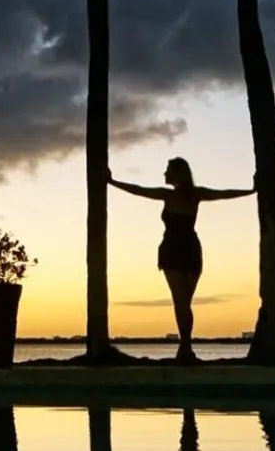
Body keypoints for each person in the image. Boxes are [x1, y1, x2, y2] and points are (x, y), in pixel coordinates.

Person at [108, 156, 255, 363]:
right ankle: (185, 347)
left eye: (167, 170)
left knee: (182, 301)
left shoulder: (190, 194)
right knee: (183, 301)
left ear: (177, 173)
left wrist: (251, 190)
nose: (164, 174)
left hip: (182, 250)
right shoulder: (175, 195)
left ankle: (185, 347)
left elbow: (224, 194)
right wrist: (113, 182)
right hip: (179, 250)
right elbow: (138, 190)